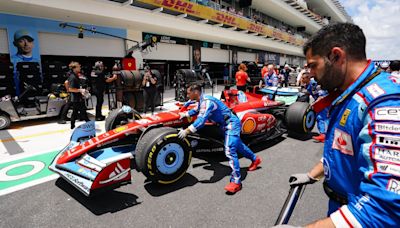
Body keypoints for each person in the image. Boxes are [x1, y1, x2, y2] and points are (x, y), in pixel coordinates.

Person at [287, 23, 400, 227]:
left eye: (313, 65)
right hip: (341, 208)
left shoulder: (383, 102)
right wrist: (311, 175)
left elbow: (387, 207)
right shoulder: (349, 93)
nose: (310, 74)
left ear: (336, 56)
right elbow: (343, 148)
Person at [178, 84, 262, 193]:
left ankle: (236, 182)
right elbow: (196, 110)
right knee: (239, 146)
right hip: (225, 124)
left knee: (229, 150)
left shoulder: (207, 102)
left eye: (189, 92)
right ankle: (255, 159)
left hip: (231, 124)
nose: (187, 94)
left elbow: (201, 120)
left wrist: (187, 131)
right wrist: (185, 114)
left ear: (195, 92)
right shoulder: (202, 100)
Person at [299, 72, 328, 142]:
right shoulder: (308, 84)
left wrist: (315, 102)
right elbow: (310, 93)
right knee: (319, 118)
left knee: (323, 118)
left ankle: (324, 135)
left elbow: (322, 94)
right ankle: (323, 134)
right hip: (319, 102)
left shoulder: (314, 83)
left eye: (303, 78)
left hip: (324, 102)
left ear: (307, 78)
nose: (301, 79)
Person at [67, 61, 89, 129]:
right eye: (78, 67)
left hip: (78, 97)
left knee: (75, 112)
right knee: (82, 111)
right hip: (76, 98)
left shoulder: (76, 75)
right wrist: (80, 90)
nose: (80, 68)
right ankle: (88, 123)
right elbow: (70, 89)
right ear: (74, 68)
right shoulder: (72, 77)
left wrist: (82, 91)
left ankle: (72, 125)